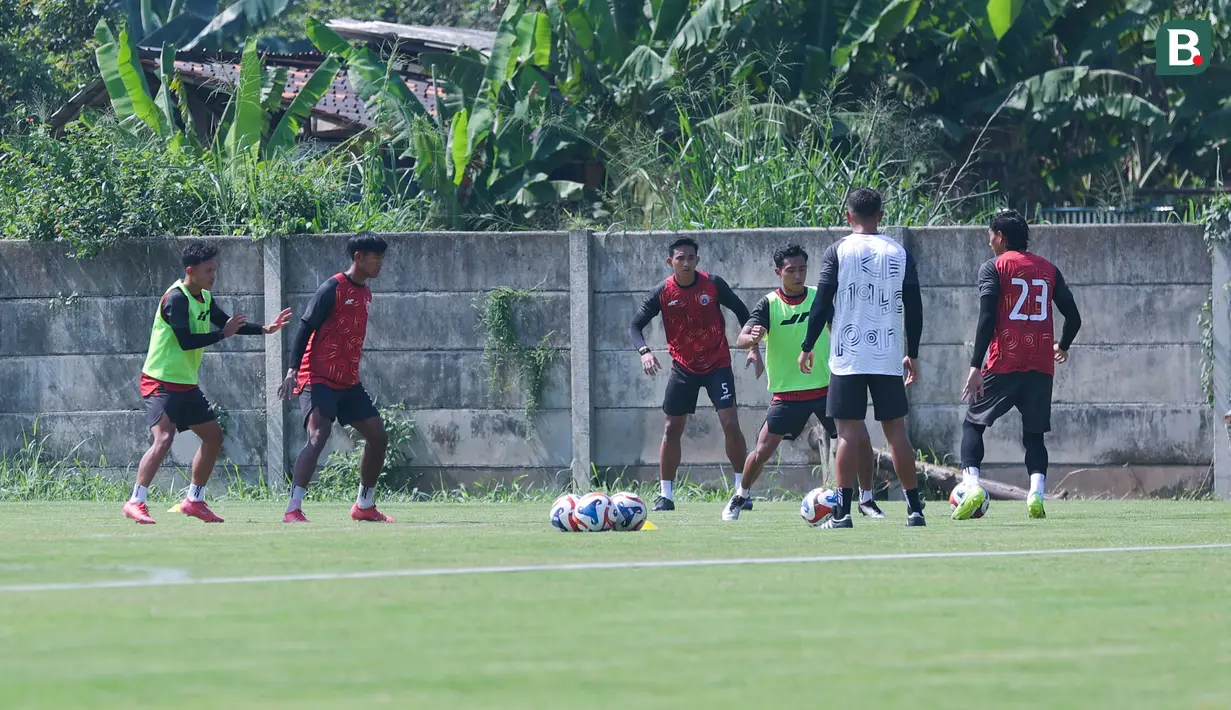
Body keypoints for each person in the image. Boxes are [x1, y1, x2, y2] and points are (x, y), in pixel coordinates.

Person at [123, 242, 292, 524]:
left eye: (215, 269)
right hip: (160, 381)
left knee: (214, 437)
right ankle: (136, 501)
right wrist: (222, 336)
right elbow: (186, 341)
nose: (214, 275)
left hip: (186, 384)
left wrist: (265, 329)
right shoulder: (176, 299)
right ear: (191, 271)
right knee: (163, 439)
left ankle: (194, 500)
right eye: (208, 270)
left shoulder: (203, 297)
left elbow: (226, 323)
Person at [727, 243, 886, 521]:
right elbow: (741, 339)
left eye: (802, 269)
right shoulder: (769, 304)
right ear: (779, 272)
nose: (798, 275)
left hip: (827, 388)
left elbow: (840, 329)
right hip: (787, 393)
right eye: (791, 270)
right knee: (763, 449)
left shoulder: (819, 297)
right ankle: (740, 496)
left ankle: (867, 500)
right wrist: (752, 339)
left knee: (860, 440)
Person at [799, 187, 927, 528]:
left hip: (848, 356)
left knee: (847, 434)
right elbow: (914, 308)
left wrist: (808, 344)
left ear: (848, 216)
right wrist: (911, 353)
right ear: (881, 216)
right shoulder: (899, 252)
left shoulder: (838, 250)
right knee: (897, 434)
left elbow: (822, 301)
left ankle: (842, 513)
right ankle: (915, 510)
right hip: (886, 355)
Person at [955, 209, 1081, 520]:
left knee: (973, 423)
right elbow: (1074, 317)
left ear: (1000, 237)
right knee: (1034, 436)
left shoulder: (994, 268)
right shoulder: (1049, 269)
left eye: (990, 236)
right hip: (1040, 364)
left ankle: (972, 487)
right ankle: (1035, 495)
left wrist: (975, 366)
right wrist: (1062, 346)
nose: (989, 243)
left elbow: (986, 319)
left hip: (1004, 361)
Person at [629, 237, 763, 511]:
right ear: (671, 262)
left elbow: (743, 312)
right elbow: (634, 326)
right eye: (680, 258)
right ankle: (666, 495)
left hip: (718, 365)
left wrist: (753, 347)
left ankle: (742, 491)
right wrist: (644, 351)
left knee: (730, 424)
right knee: (671, 429)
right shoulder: (662, 292)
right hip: (683, 368)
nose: (686, 263)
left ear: (697, 261)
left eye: (691, 258)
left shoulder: (713, 284)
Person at [277, 233, 394, 524]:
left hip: (349, 382)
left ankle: (364, 505)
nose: (380, 263)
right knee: (319, 436)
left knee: (378, 436)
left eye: (382, 258)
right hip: (318, 377)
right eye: (375, 257)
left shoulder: (366, 292)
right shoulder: (332, 288)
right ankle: (293, 508)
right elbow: (305, 328)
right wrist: (292, 370)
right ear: (358, 257)